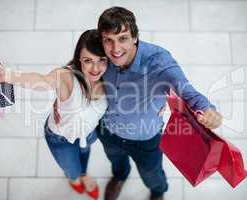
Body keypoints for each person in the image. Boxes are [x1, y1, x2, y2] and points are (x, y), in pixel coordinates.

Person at [94, 7, 223, 200]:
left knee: (152, 175)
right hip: (108, 129)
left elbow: (189, 93)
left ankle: (158, 192)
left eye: (122, 38)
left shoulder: (159, 63)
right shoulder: (99, 53)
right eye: (108, 40)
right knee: (116, 161)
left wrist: (209, 111)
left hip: (144, 138)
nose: (115, 49)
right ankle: (120, 176)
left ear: (135, 37)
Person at [0, 29, 108, 200]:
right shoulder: (66, 76)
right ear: (79, 58)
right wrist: (6, 75)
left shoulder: (110, 75)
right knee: (71, 170)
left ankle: (83, 174)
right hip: (60, 138)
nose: (95, 69)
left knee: (84, 155)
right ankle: (74, 178)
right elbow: (41, 80)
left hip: (89, 134)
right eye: (88, 60)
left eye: (101, 60)